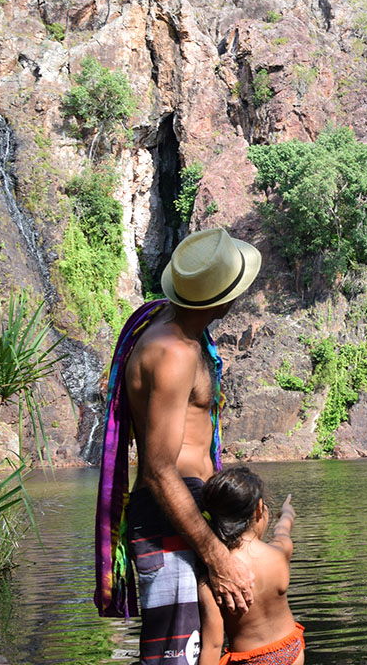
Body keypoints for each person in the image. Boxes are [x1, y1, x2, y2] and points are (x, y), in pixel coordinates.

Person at [94, 227, 262, 665]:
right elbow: (158, 468)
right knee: (178, 657)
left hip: (188, 512)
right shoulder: (174, 352)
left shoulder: (178, 334)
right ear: (220, 299)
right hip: (171, 517)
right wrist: (216, 556)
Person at [196, 466, 303, 665]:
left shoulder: (214, 579)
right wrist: (287, 513)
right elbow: (283, 530)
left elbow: (213, 645)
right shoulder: (279, 553)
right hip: (291, 650)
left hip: (250, 659)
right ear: (258, 509)